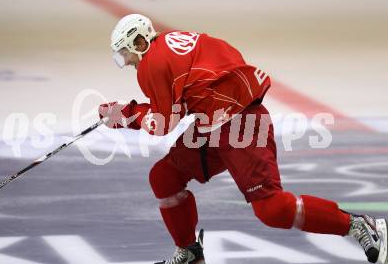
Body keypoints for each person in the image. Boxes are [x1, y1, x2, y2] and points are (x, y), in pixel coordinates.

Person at [98, 14, 388, 264]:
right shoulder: (177, 39)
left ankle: (359, 225)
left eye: (128, 55)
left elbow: (162, 123)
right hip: (219, 120)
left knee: (272, 209)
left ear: (140, 41)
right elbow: (215, 72)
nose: (131, 63)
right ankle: (189, 251)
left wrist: (123, 114)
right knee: (164, 177)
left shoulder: (151, 63)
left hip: (237, 124)